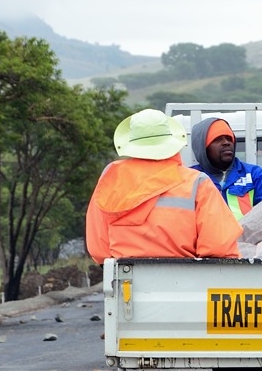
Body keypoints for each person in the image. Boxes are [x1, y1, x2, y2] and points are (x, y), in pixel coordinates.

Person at [86, 109, 243, 263]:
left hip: (125, 277)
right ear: (172, 142)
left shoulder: (112, 178)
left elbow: (99, 247)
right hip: (187, 279)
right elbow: (218, 246)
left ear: (131, 142)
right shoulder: (197, 182)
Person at [190, 117, 262, 220]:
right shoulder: (190, 178)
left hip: (249, 236)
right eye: (217, 139)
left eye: (229, 138)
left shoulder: (254, 174)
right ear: (203, 147)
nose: (226, 143)